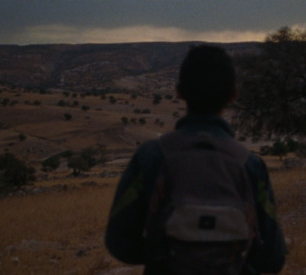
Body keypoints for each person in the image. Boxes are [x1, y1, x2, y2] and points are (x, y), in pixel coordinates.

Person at [105, 45, 287, 274]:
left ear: (179, 91)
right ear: (233, 94)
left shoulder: (150, 157)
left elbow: (119, 243)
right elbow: (273, 258)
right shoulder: (250, 164)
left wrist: (165, 253)